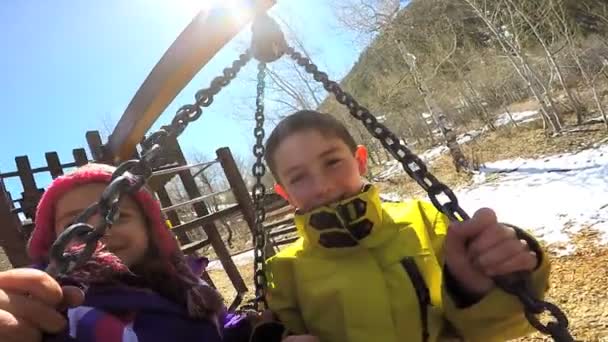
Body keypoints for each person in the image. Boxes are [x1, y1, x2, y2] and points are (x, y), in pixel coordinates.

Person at [261, 110, 550, 342]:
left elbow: (503, 329)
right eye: (298, 178)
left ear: (360, 161)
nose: (322, 186)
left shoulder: (427, 222)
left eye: (333, 162)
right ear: (285, 193)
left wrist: (482, 288)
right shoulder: (285, 274)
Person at [0, 163, 249, 342]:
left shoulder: (184, 285)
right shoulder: (47, 293)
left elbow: (223, 327)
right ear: (55, 242)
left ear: (149, 230)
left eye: (116, 215)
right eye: (73, 224)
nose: (97, 231)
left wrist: (253, 329)